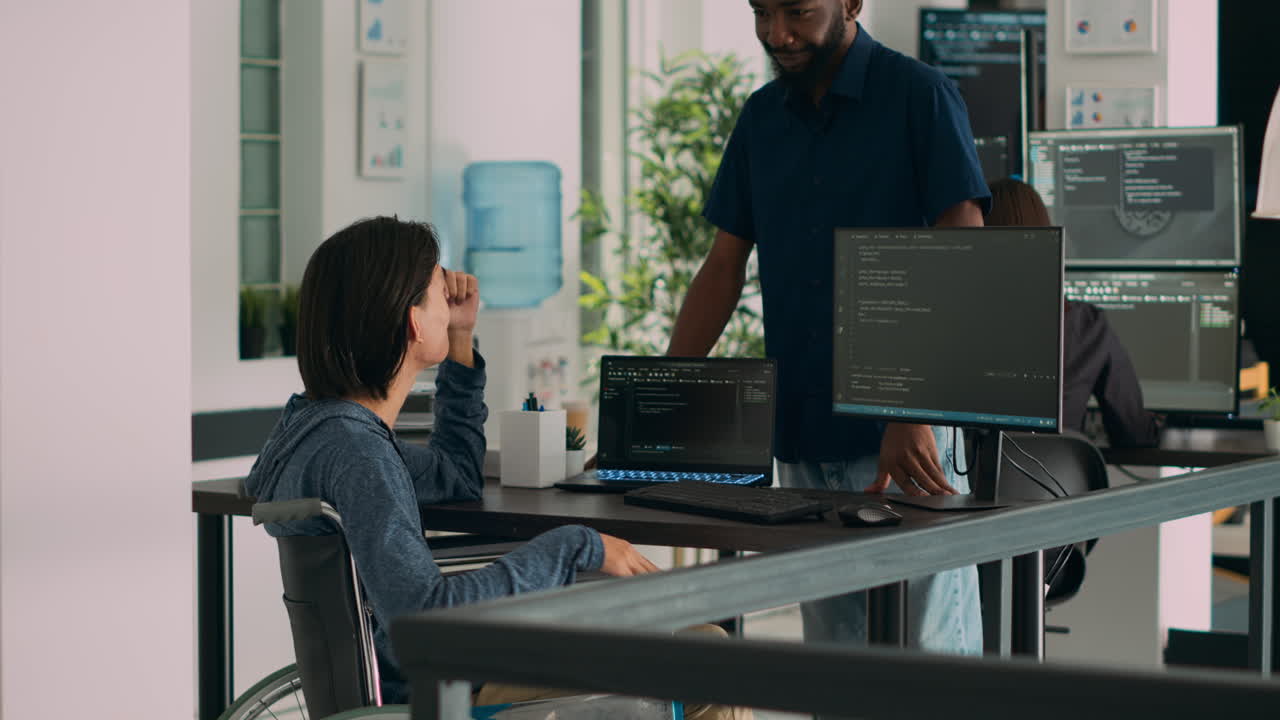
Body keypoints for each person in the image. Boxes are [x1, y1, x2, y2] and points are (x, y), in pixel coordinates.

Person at [245, 217, 746, 718]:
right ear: (415, 323)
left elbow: (456, 476)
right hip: (443, 692)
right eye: (440, 293)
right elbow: (423, 620)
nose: (451, 302)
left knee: (701, 644)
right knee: (715, 663)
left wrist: (461, 338)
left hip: (419, 679)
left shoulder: (315, 433)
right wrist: (576, 546)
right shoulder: (359, 455)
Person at [667, 0, 990, 657]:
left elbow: (966, 250)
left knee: (928, 661)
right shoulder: (761, 117)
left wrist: (915, 404)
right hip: (807, 426)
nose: (777, 34)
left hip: (908, 434)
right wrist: (663, 398)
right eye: (762, 12)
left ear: (850, 3)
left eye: (798, 12)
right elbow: (723, 268)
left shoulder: (920, 96)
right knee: (834, 659)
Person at [987, 178, 1161, 447]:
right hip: (1054, 486)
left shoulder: (957, 324)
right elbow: (1133, 434)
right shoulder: (1088, 326)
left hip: (963, 485)